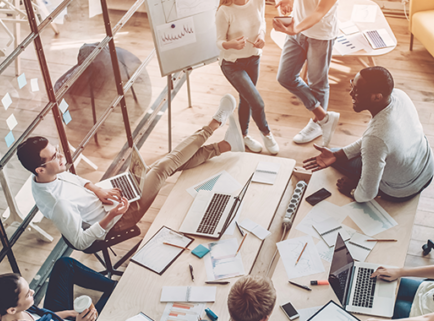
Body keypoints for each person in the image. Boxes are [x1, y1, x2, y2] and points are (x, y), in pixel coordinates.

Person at [17, 94, 246, 251]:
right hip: (118, 219)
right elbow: (80, 242)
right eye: (55, 156)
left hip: (108, 200)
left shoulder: (46, 175)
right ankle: (215, 123)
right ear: (40, 168)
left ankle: (225, 146)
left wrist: (97, 189)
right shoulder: (57, 203)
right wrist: (111, 214)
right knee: (162, 168)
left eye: (57, 150)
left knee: (167, 166)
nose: (61, 156)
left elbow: (76, 181)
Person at [303, 67, 434, 202]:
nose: (351, 93)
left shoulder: (376, 137)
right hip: (426, 168)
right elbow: (378, 142)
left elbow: (367, 195)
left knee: (345, 166)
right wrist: (339, 155)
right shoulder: (400, 96)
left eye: (357, 91)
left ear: (377, 97)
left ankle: (357, 181)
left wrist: (353, 191)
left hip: (401, 190)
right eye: (352, 85)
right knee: (335, 155)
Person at [273, 0, 341, 147]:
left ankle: (317, 124)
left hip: (320, 35)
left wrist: (295, 29)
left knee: (317, 83)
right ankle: (324, 118)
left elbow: (319, 11)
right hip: (297, 29)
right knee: (285, 77)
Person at [216, 0, 280, 155]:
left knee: (246, 98)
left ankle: (243, 136)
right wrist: (231, 44)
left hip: (254, 59)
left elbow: (262, 22)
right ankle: (266, 133)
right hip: (232, 64)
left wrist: (262, 36)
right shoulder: (224, 11)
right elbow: (219, 41)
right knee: (257, 103)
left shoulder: (258, 1)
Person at [0, 257, 114, 321]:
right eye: (28, 294)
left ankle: (113, 287)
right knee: (116, 296)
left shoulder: (4, 311)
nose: (33, 292)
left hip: (55, 316)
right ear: (11, 309)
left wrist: (69, 313)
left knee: (64, 264)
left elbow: (46, 315)